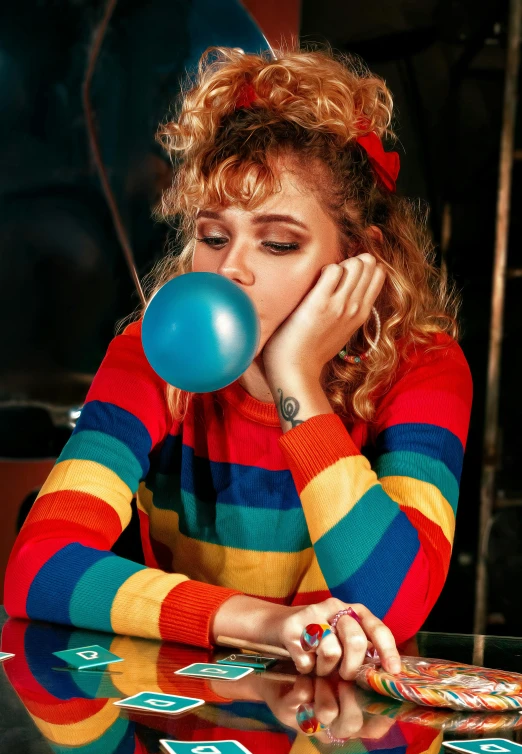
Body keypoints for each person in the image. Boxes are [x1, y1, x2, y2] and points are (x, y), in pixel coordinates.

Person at [4, 45, 472, 681]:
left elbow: (396, 601)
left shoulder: (424, 367)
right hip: (186, 711)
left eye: (279, 243)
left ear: (360, 259)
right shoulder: (152, 353)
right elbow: (39, 565)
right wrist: (264, 624)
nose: (231, 270)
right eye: (214, 236)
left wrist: (297, 382)